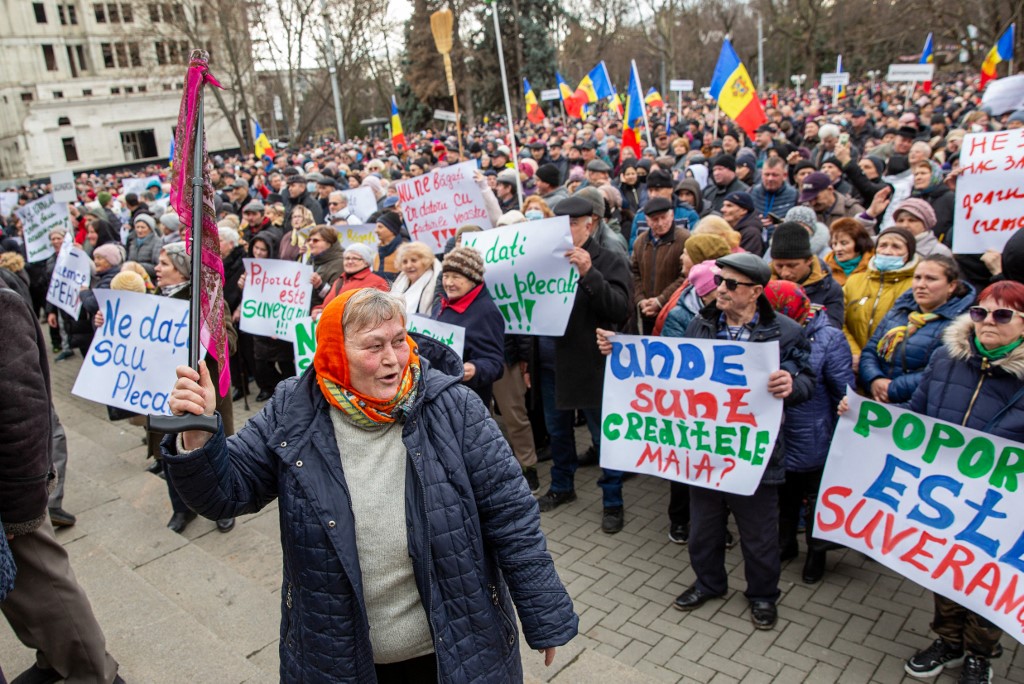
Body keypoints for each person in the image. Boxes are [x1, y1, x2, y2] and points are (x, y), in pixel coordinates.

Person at [162, 288, 578, 682]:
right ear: (333, 353)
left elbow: (511, 515)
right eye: (373, 346)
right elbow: (225, 494)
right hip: (338, 655)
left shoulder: (454, 407)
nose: (394, 359)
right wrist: (199, 436)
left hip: (453, 650)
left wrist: (544, 613)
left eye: (399, 340)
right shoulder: (294, 408)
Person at [622, 252, 812, 629]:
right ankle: (709, 582)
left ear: (756, 291)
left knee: (759, 537)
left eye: (730, 284)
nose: (719, 288)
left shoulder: (786, 332)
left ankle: (762, 595)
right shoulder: (701, 325)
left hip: (755, 457)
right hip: (705, 454)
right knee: (703, 530)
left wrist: (791, 384)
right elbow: (670, 373)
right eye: (720, 280)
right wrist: (622, 354)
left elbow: (807, 380)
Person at [893, 280, 1024, 684]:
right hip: (945, 495)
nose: (988, 322)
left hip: (1000, 504)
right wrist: (863, 418)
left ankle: (979, 655)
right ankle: (948, 642)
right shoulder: (947, 359)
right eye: (981, 312)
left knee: (988, 581)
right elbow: (914, 416)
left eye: (1003, 315)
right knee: (947, 571)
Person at [0, 280, 124, 684]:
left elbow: (21, 413)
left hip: (12, 499)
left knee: (44, 589)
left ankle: (91, 673)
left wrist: (21, 511)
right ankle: (56, 659)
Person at [535, 197, 631, 534]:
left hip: (589, 363)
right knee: (558, 430)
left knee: (603, 434)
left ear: (589, 224)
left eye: (573, 224)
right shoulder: (546, 260)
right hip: (550, 361)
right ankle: (562, 486)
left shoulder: (610, 259)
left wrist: (590, 273)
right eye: (559, 225)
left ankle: (613, 500)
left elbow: (619, 309)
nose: (566, 231)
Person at [763, 281, 853, 585]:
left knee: (814, 499)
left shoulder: (829, 338)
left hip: (813, 433)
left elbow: (842, 390)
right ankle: (785, 544)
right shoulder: (764, 332)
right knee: (784, 495)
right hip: (778, 433)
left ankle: (817, 553)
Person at [150, 242, 236, 534]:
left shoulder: (210, 302)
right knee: (172, 452)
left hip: (202, 395)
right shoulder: (152, 300)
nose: (157, 269)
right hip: (165, 394)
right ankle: (181, 510)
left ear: (182, 269)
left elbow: (231, 345)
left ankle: (223, 508)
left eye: (164, 264)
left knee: (211, 454)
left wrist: (211, 334)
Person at [859, 255, 975, 402]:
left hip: (918, 406)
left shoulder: (959, 325)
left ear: (951, 286)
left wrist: (894, 388)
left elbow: (941, 372)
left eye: (931, 279)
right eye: (917, 277)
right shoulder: (898, 312)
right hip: (878, 399)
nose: (921, 285)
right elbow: (870, 350)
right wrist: (875, 379)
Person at [431, 246, 506, 408]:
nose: (449, 283)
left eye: (456, 277)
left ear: (473, 279)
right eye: (446, 276)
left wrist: (475, 369)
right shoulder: (441, 303)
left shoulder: (486, 312)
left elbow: (495, 363)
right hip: (439, 395)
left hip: (467, 402)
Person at [843, 226, 920, 370]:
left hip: (891, 367)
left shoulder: (915, 286)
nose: (888, 251)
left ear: (908, 253)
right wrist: (854, 352)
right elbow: (840, 321)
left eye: (896, 247)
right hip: (853, 363)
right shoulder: (854, 281)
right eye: (883, 245)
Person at [768, 222, 845, 328]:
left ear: (809, 260)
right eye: (779, 266)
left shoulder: (829, 288)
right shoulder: (762, 286)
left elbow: (831, 330)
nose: (785, 273)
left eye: (792, 266)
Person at [630, 197, 690, 333]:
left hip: (672, 310)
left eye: (664, 218)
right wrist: (640, 300)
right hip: (646, 311)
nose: (660, 223)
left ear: (672, 215)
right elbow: (634, 272)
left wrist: (661, 300)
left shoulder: (684, 239)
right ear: (647, 220)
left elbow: (685, 277)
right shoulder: (640, 242)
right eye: (655, 220)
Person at [319, 243, 390, 310]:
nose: (350, 261)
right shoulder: (340, 280)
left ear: (366, 263)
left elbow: (379, 310)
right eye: (347, 258)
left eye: (355, 258)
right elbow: (329, 302)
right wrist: (319, 308)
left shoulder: (378, 283)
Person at [390, 241, 442, 317]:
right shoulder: (400, 280)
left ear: (425, 261)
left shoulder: (435, 283)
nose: (408, 265)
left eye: (414, 260)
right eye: (404, 262)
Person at [824, 218, 874, 286]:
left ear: (859, 243)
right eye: (835, 244)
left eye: (844, 243)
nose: (838, 249)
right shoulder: (824, 269)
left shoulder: (874, 266)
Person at [305, 226, 346, 306]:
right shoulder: (311, 259)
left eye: (315, 240)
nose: (310, 243)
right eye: (309, 240)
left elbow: (336, 297)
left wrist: (320, 286)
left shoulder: (340, 263)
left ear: (328, 242)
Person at [374, 211, 407, 281]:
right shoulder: (377, 253)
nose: (376, 231)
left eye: (380, 227)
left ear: (391, 229)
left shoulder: (405, 252)